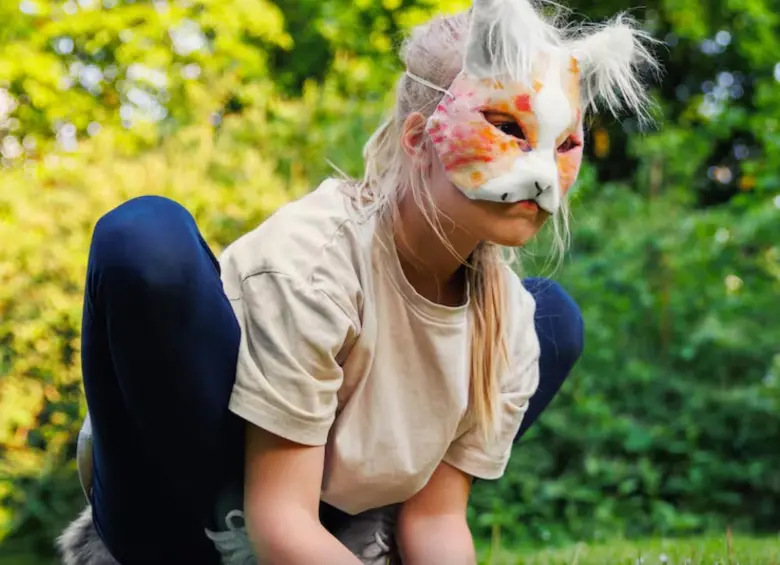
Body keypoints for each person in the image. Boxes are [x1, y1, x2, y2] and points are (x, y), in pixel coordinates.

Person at [59, 1, 657, 564]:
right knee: (144, 239)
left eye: (566, 143)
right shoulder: (314, 261)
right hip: (180, 507)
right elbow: (278, 518)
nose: (540, 170)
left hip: (321, 505)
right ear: (420, 136)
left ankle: (357, 537)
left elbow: (437, 519)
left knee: (554, 317)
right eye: (506, 127)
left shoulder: (509, 325)